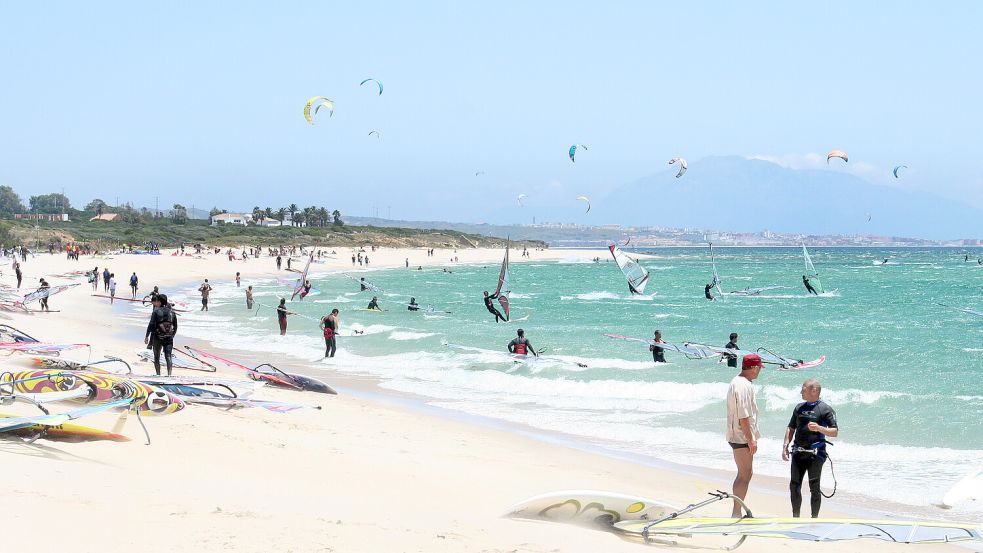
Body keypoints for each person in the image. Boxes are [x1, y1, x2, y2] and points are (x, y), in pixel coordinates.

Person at [782, 379, 838, 518]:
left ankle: (814, 519)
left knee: (814, 487)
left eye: (803, 389)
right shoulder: (799, 408)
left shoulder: (825, 409)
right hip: (798, 452)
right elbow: (791, 427)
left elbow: (835, 432)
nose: (801, 391)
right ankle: (796, 518)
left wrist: (819, 428)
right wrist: (785, 446)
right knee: (794, 485)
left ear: (814, 391)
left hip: (816, 454)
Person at [726, 353, 762, 517]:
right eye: (759, 368)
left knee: (745, 473)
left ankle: (737, 510)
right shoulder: (744, 385)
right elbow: (744, 416)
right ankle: (736, 511)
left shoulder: (738, 382)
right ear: (753, 368)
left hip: (736, 434)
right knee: (744, 474)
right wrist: (750, 439)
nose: (760, 371)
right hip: (741, 436)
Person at [144, 293, 177, 376]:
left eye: (157, 301)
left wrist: (147, 336)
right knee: (168, 356)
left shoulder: (156, 311)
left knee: (156, 357)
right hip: (169, 337)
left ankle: (158, 374)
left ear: (159, 301)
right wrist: (172, 335)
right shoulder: (172, 312)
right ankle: (169, 374)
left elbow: (151, 324)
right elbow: (175, 326)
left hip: (157, 336)